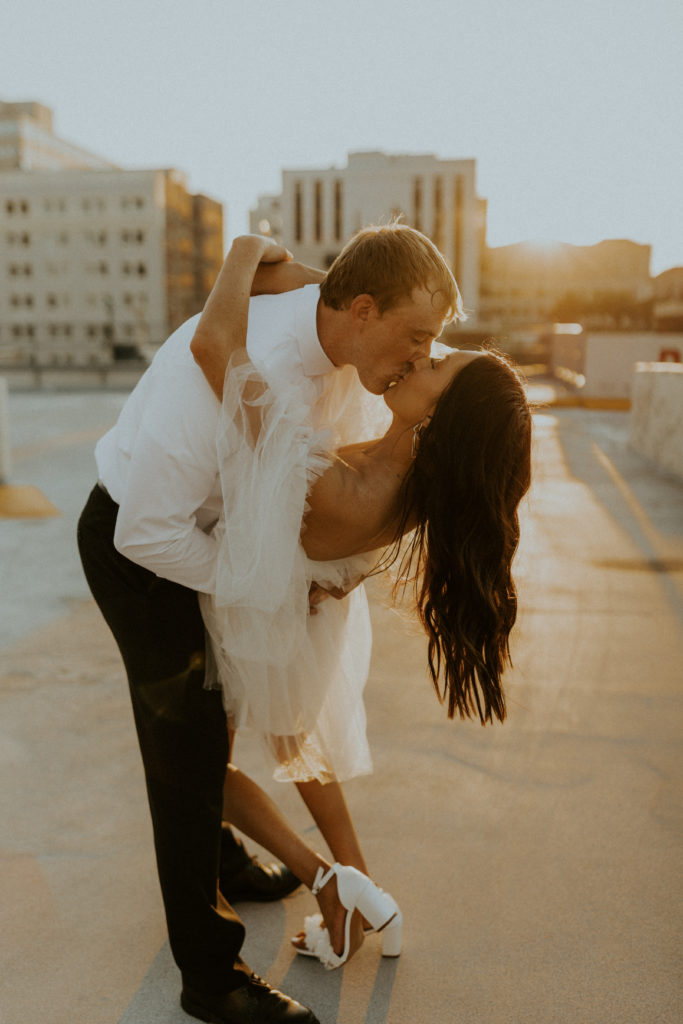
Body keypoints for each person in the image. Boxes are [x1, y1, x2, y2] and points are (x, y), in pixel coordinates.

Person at [76, 223, 460, 1024]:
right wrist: (265, 585)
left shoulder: (349, 350)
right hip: (139, 546)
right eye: (417, 336)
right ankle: (208, 979)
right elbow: (142, 532)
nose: (423, 356)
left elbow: (290, 273)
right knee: (185, 757)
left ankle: (228, 860)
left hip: (210, 539)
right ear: (361, 310)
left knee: (210, 727)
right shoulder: (242, 370)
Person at [188, 232, 532, 971]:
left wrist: (245, 250)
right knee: (300, 756)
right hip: (300, 615)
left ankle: (329, 881)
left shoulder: (338, 481)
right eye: (425, 346)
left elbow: (216, 345)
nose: (417, 358)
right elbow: (349, 554)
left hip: (250, 612)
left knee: (194, 770)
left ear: (440, 419)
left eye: (434, 363)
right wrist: (343, 288)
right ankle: (357, 893)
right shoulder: (401, 482)